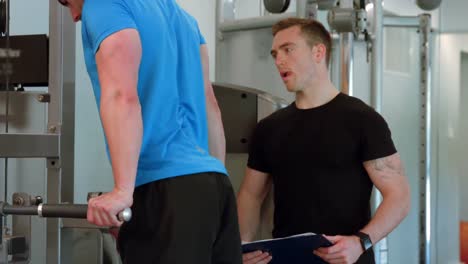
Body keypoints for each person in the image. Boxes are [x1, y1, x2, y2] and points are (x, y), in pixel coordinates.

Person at [58, 0, 243, 263]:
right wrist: (213, 180)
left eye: (67, 1)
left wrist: (123, 192)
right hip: (215, 188)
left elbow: (122, 94)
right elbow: (210, 107)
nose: (75, 14)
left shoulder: (102, 5)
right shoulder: (185, 20)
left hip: (163, 189)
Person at [237, 18, 411, 264]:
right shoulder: (269, 128)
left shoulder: (362, 120)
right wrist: (243, 248)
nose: (279, 60)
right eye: (275, 53)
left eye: (288, 50)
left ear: (318, 52)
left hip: (347, 259)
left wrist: (361, 242)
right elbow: (251, 195)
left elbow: (399, 197)